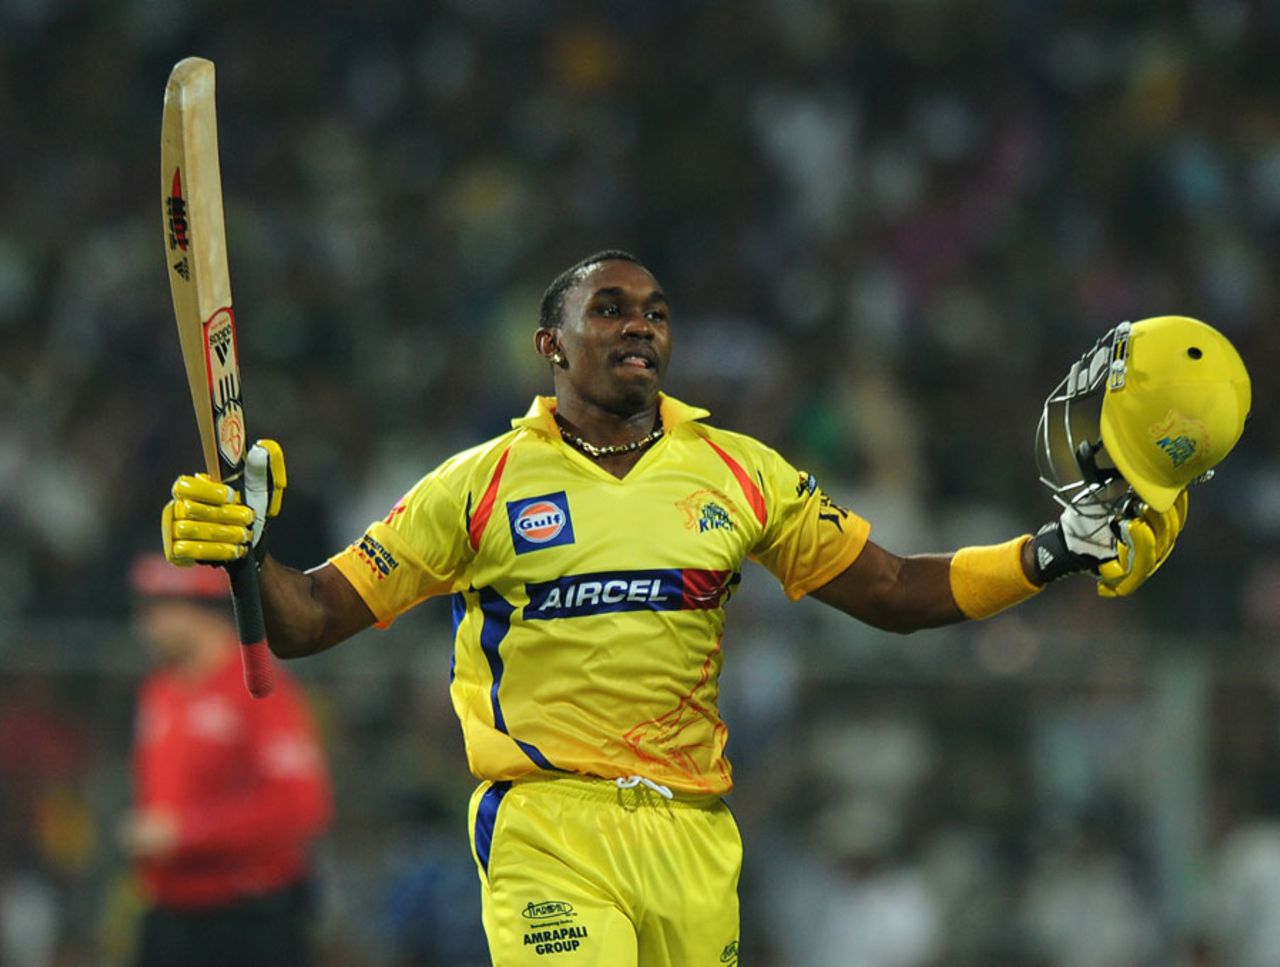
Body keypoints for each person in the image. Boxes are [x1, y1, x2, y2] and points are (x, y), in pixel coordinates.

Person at [159, 250, 1249, 965]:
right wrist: (246, 553)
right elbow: (306, 621)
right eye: (610, 309)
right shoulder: (474, 484)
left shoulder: (738, 472)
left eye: (656, 312)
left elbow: (896, 593)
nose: (641, 326)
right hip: (549, 825)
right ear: (551, 344)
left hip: (692, 835)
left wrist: (1048, 551)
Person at [123, 554, 333, 967]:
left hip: (247, 919)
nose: (145, 622)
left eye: (158, 606)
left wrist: (187, 835)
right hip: (170, 912)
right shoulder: (159, 690)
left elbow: (300, 807)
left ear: (198, 609)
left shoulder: (258, 689)